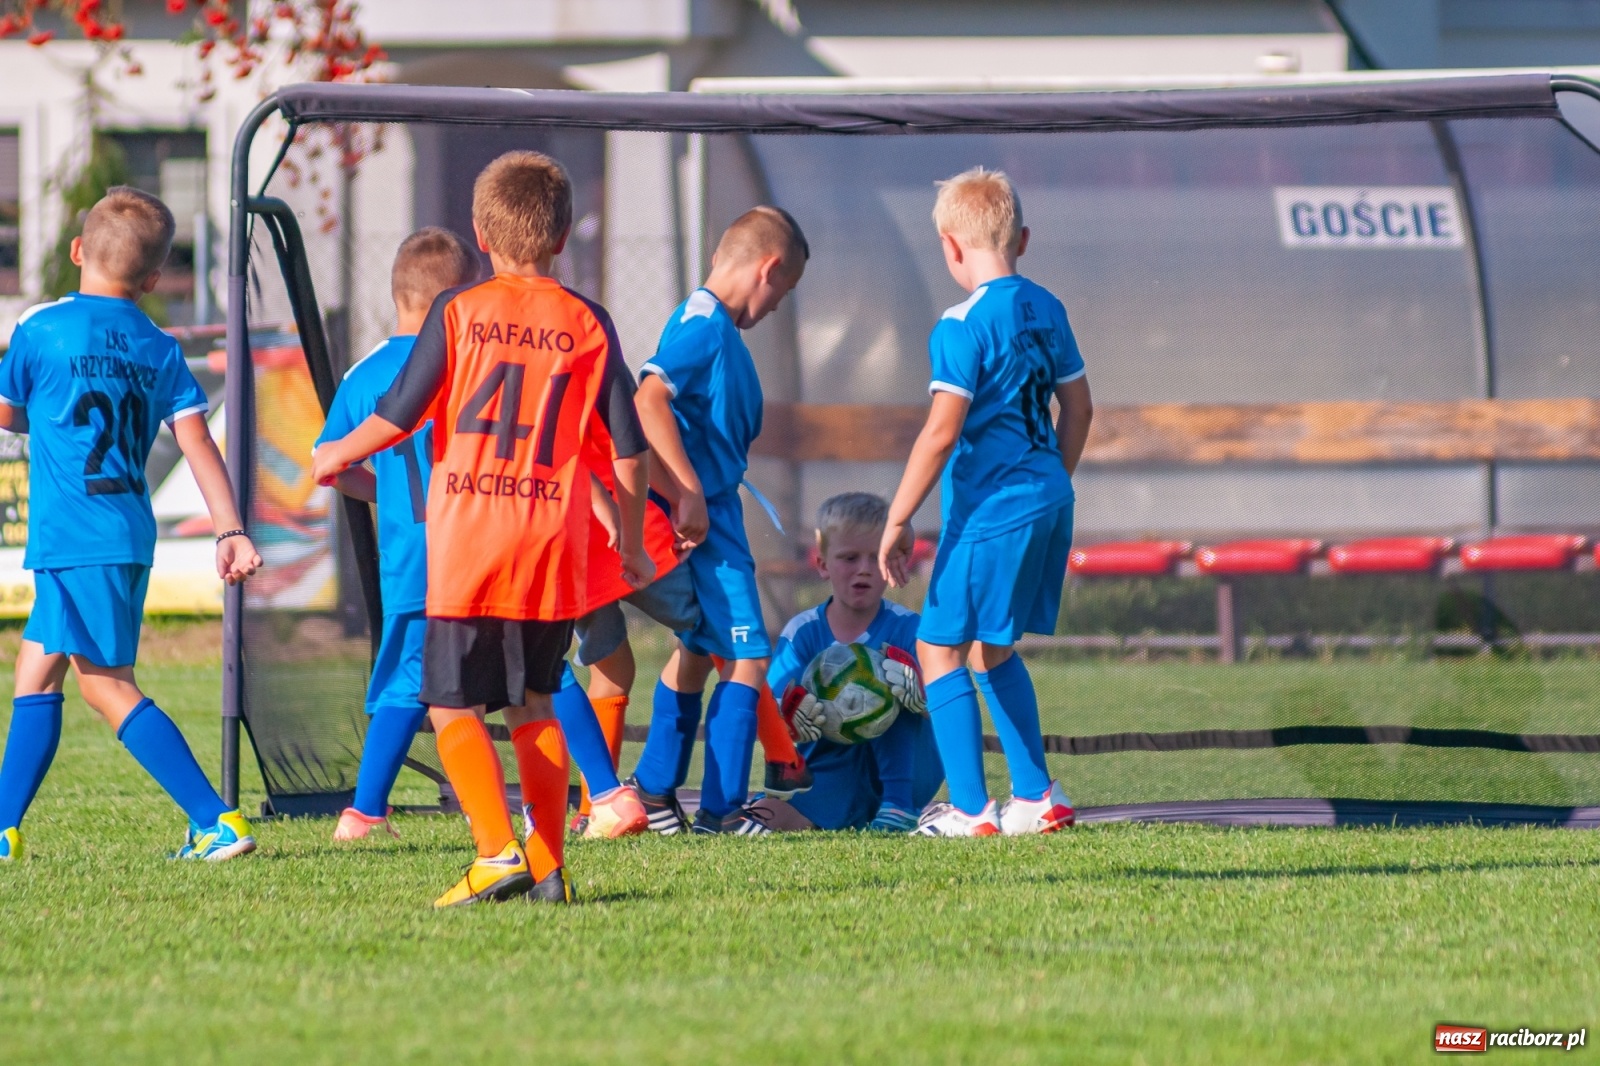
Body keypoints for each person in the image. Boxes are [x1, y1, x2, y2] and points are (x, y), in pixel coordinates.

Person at [312, 151, 654, 906]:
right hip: (550, 544)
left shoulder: (458, 312)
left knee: (447, 704)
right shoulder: (589, 321)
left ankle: (497, 850)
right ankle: (550, 864)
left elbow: (398, 413)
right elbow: (629, 452)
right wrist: (628, 541)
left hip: (469, 538)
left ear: (480, 232)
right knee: (536, 698)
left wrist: (335, 451)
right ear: (563, 236)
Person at [0, 186, 262, 862]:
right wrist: (229, 528)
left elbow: (8, 415)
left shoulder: (39, 329)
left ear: (77, 251)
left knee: (106, 685)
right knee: (36, 672)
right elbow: (198, 443)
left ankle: (215, 820)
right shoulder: (160, 346)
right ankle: (3, 829)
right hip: (120, 532)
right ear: (151, 280)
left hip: (76, 537)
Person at [878, 166, 1093, 837]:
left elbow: (942, 430)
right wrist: (1049, 481)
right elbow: (1080, 408)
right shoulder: (1047, 307)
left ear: (948, 246)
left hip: (993, 509)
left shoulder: (961, 323)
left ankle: (971, 811)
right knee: (990, 648)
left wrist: (897, 515)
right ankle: (1036, 796)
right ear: (1021, 238)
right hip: (1050, 495)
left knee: (938, 646)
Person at [625, 206, 809, 835]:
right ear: (769, 268)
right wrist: (689, 490)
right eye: (782, 294)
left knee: (699, 651)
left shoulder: (708, 323)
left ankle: (652, 793)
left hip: (713, 512)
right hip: (709, 521)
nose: (776, 307)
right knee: (749, 656)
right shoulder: (705, 325)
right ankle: (724, 812)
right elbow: (648, 398)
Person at [316, 227, 478, 842]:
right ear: (457, 300)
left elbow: (329, 465)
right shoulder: (470, 362)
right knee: (543, 673)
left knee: (407, 682)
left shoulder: (364, 376)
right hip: (480, 549)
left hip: (411, 560)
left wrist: (385, 491)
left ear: (396, 293)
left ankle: (365, 812)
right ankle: (600, 791)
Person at [753, 493, 942, 832]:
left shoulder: (910, 629)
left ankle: (898, 809)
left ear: (892, 559)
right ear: (823, 563)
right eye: (849, 558)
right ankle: (843, 812)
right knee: (761, 818)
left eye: (875, 557)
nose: (864, 569)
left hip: (910, 772)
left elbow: (951, 698)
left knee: (887, 678)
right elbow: (772, 705)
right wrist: (790, 716)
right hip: (831, 770)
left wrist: (927, 698)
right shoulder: (804, 632)